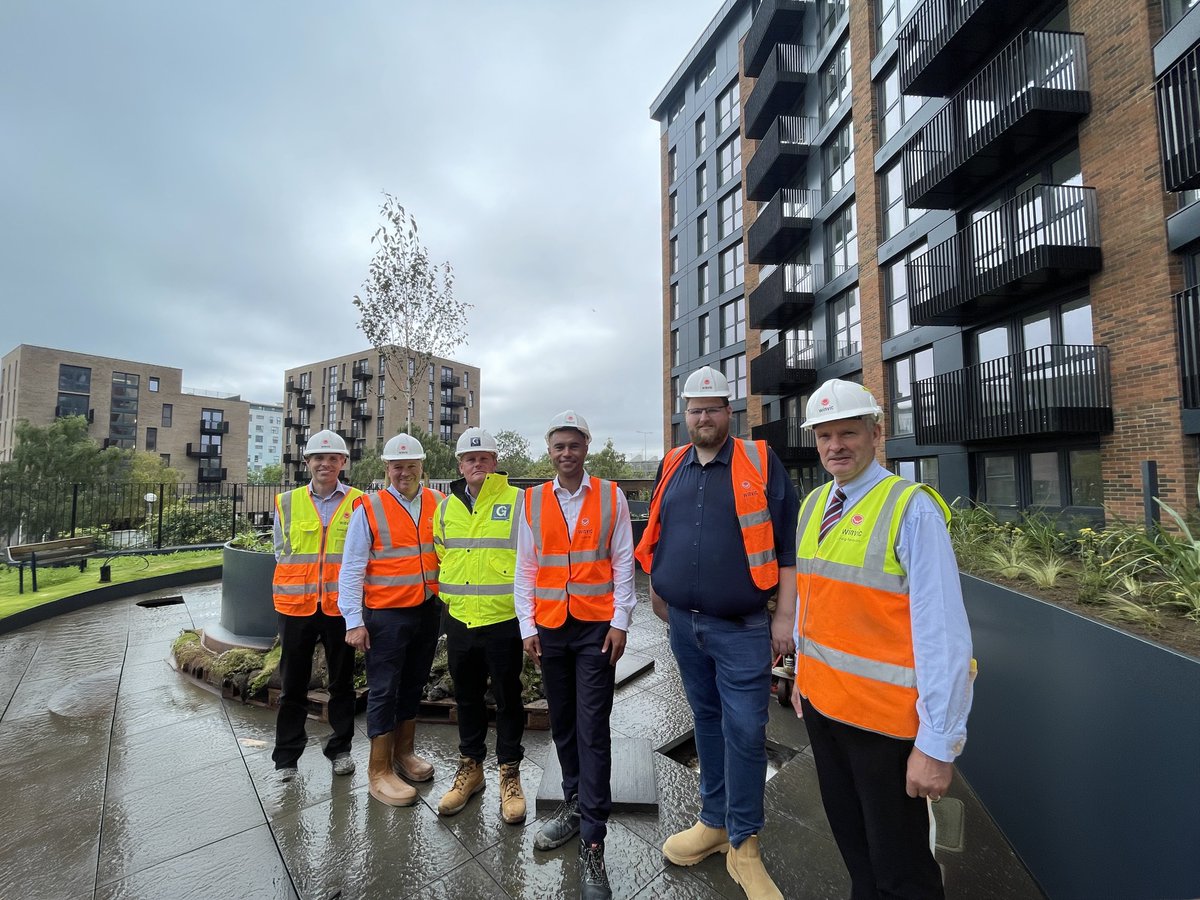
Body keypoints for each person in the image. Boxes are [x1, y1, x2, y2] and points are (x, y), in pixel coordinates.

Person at [790, 379, 974, 900]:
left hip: (886, 728)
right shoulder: (813, 505)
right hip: (826, 713)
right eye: (824, 436)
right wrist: (803, 678)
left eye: (848, 432)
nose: (835, 446)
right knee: (858, 858)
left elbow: (944, 635)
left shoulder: (910, 508)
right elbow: (814, 606)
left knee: (904, 872)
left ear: (877, 432)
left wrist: (937, 744)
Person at [634, 366, 799, 900]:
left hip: (742, 626)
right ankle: (714, 821)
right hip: (684, 625)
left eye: (712, 408)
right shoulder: (673, 463)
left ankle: (745, 844)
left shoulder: (759, 460)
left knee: (747, 731)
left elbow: (789, 550)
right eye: (694, 410)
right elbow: (662, 530)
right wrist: (660, 589)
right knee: (705, 722)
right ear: (685, 415)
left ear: (730, 412)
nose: (703, 418)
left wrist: (783, 619)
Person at [516, 411, 635, 900]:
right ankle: (572, 802)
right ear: (550, 451)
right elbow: (526, 566)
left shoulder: (611, 496)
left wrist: (621, 621)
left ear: (587, 446)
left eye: (574, 445)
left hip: (594, 629)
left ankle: (593, 840)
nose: (566, 453)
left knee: (592, 727)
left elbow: (624, 560)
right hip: (550, 628)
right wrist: (527, 626)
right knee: (563, 721)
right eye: (558, 446)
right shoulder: (533, 501)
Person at [338, 433, 444, 807]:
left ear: (421, 469)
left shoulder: (438, 502)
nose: (405, 473)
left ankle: (404, 753)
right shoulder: (369, 507)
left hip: (427, 610)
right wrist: (353, 619)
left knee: (413, 683)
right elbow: (351, 567)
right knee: (384, 689)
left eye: (411, 466)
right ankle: (378, 770)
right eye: (397, 467)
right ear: (387, 469)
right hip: (384, 615)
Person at [432, 427, 526, 824]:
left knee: (508, 698)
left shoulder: (518, 501)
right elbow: (442, 555)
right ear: (460, 465)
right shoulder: (444, 508)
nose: (477, 465)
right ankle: (470, 768)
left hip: (504, 619)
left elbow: (531, 557)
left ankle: (509, 772)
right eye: (470, 459)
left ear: (495, 462)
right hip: (461, 621)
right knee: (466, 697)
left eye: (484, 458)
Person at [271, 429, 364, 781]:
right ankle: (286, 759)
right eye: (318, 458)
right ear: (307, 462)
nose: (325, 463)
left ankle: (340, 750)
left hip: (341, 609)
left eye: (332, 458)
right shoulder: (286, 502)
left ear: (343, 462)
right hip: (296, 608)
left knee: (342, 684)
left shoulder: (359, 502)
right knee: (292, 685)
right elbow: (281, 550)